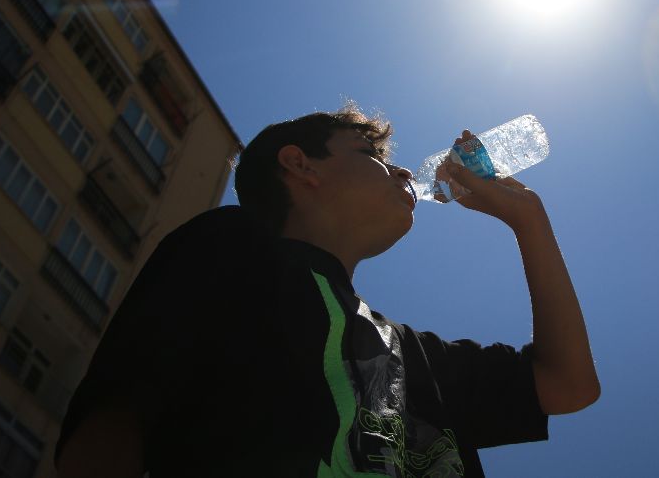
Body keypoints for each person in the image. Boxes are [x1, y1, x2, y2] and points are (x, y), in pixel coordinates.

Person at [55, 105, 599, 477]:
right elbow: (115, 424)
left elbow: (568, 386)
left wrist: (530, 221)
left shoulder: (414, 358)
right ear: (300, 165)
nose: (404, 171)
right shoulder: (234, 248)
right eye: (373, 155)